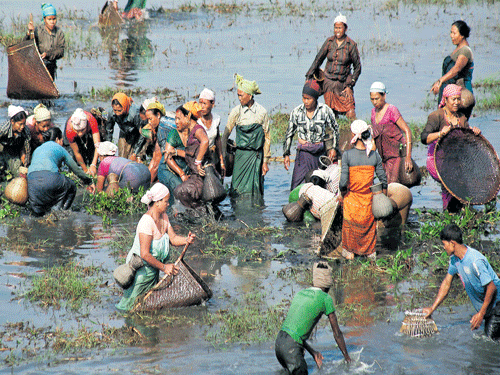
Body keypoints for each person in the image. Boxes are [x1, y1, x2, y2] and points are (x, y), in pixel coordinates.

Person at [116, 183, 196, 311]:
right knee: (131, 306)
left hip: (153, 269)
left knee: (147, 304)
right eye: (166, 201)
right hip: (141, 272)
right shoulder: (146, 222)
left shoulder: (164, 217)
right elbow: (145, 254)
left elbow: (173, 239)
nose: (168, 204)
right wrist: (164, 267)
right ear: (157, 202)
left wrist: (187, 240)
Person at [423, 224, 500, 340]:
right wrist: (432, 309)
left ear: (452, 243)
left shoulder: (475, 260)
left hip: (497, 305)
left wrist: (481, 313)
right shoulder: (455, 260)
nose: (443, 247)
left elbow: (492, 287)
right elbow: (446, 283)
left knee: (490, 343)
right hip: (488, 308)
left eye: (444, 244)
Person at [275, 262, 351, 374]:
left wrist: (313, 353)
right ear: (328, 285)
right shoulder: (326, 298)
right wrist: (347, 358)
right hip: (292, 349)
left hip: (279, 343)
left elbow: (294, 333)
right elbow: (337, 333)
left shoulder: (300, 294)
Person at [420, 84, 480, 212]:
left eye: (458, 99)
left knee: (463, 179)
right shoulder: (436, 116)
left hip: (455, 160)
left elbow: (466, 139)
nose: (457, 102)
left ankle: (460, 211)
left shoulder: (461, 118)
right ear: (445, 99)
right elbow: (424, 138)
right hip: (437, 160)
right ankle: (451, 211)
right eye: (453, 99)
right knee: (453, 180)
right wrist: (440, 133)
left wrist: (474, 132)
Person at [339, 120, 387, 260]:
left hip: (352, 200)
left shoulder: (347, 155)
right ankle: (369, 251)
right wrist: (383, 198)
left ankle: (350, 251)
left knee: (349, 224)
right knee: (368, 226)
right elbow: (383, 180)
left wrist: (342, 195)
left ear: (354, 135)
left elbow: (343, 183)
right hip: (368, 200)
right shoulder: (374, 155)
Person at [283, 80, 339, 190]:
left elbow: (335, 129)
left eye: (309, 99)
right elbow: (289, 133)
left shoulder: (325, 111)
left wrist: (333, 148)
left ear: (315, 98)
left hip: (319, 153)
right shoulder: (297, 112)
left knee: (319, 184)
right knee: (297, 185)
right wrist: (286, 154)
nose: (306, 101)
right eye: (304, 98)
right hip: (303, 155)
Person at [222, 74, 271, 198]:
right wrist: (223, 158)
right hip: (240, 157)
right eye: (238, 95)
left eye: (241, 95)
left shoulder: (261, 112)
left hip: (256, 156)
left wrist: (265, 161)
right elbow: (225, 135)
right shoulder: (236, 112)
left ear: (249, 95)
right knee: (236, 190)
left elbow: (267, 138)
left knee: (255, 191)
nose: (239, 98)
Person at [27, 128, 95, 216]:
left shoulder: (37, 149)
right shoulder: (59, 147)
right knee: (71, 186)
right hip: (50, 179)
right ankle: (62, 212)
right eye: (62, 140)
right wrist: (88, 181)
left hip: (32, 183)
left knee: (38, 215)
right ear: (57, 139)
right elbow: (75, 169)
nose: (62, 143)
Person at [305, 13, 361, 120]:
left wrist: (351, 84)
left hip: (343, 83)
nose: (337, 30)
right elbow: (318, 59)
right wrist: (308, 75)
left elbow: (357, 67)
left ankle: (353, 133)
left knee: (350, 112)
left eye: (340, 28)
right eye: (335, 28)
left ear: (345, 28)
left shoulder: (351, 45)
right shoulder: (329, 42)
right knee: (331, 113)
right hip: (328, 83)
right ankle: (333, 131)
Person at [369, 81, 413, 184]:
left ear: (384, 96)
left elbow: (407, 130)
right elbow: (374, 138)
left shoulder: (391, 110)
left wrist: (408, 157)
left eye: (377, 99)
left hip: (396, 155)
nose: (374, 102)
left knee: (393, 184)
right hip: (383, 158)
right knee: (385, 184)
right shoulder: (373, 112)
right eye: (372, 99)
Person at [430, 20, 474, 119]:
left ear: (462, 35)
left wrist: (440, 81)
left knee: (456, 124)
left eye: (454, 33)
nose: (451, 35)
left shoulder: (465, 51)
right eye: (451, 32)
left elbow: (456, 69)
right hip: (451, 91)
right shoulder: (458, 49)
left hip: (461, 93)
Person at [173, 102, 210, 209]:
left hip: (201, 177)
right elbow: (191, 154)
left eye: (179, 118)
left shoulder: (197, 130)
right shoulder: (191, 132)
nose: (176, 121)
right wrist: (175, 152)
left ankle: (198, 213)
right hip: (196, 176)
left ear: (188, 116)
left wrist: (198, 163)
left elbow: (205, 141)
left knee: (179, 191)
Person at [158, 109, 189, 206]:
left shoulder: (194, 133)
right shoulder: (173, 134)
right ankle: (173, 216)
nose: (176, 122)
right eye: (175, 119)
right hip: (168, 169)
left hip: (183, 169)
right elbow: (168, 157)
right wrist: (182, 174)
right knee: (179, 190)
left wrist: (177, 152)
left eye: (179, 119)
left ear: (187, 118)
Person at [26, 3, 65, 80]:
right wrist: (29, 33)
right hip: (38, 65)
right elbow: (27, 46)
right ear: (44, 19)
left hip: (51, 66)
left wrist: (48, 54)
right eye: (49, 19)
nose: (52, 22)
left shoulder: (59, 32)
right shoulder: (37, 31)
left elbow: (61, 51)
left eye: (54, 19)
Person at [105, 92, 145, 158]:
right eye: (115, 110)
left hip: (137, 133)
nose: (117, 113)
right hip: (124, 131)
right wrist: (108, 148)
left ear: (125, 106)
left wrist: (135, 153)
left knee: (134, 159)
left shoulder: (134, 114)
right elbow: (109, 130)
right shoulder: (111, 113)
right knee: (122, 157)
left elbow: (142, 134)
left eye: (120, 110)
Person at [65, 108, 101, 176]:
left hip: (89, 128)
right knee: (73, 155)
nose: (80, 134)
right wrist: (85, 170)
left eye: (82, 130)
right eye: (78, 131)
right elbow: (77, 152)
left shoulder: (91, 121)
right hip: (72, 133)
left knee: (91, 151)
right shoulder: (69, 130)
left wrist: (93, 164)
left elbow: (98, 145)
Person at [198, 88, 225, 178]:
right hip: (198, 158)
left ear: (212, 104)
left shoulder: (216, 119)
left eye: (204, 103)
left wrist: (221, 161)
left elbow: (217, 140)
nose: (201, 106)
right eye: (200, 103)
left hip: (212, 157)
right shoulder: (196, 120)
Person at [0, 105, 31, 179]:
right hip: (2, 147)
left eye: (24, 123)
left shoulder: (26, 132)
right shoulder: (3, 129)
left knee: (17, 173)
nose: (22, 126)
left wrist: (25, 165)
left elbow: (26, 150)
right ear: (12, 121)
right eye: (20, 124)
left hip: (15, 150)